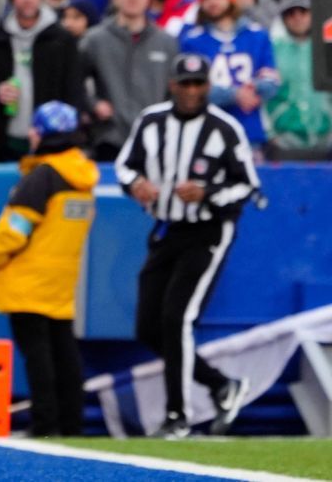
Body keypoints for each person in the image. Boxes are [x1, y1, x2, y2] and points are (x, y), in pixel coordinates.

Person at [115, 53, 258, 439]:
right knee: (149, 327)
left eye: (198, 84)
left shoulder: (225, 129)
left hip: (209, 231)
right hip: (166, 229)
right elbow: (125, 165)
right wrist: (136, 185)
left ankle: (177, 416)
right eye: (185, 83)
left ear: (208, 86)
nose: (192, 90)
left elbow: (248, 185)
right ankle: (220, 384)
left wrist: (208, 192)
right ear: (172, 84)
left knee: (176, 318)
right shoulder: (151, 121)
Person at [0, 101, 95, 437]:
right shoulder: (83, 177)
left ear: (44, 133)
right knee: (65, 354)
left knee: (39, 357)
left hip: (26, 281)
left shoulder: (43, 176)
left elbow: (14, 230)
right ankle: (72, 424)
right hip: (61, 280)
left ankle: (45, 424)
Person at [0, 0, 84, 162]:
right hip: (3, 141)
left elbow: (74, 88)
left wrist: (69, 133)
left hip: (50, 141)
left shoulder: (61, 39)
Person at [179, 0, 279, 153]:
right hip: (206, 133)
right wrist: (235, 94)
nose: (212, 2)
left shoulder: (257, 35)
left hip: (250, 132)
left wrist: (255, 88)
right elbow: (191, 91)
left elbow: (272, 81)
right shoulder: (192, 40)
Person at [80, 0, 178, 161]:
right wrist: (93, 104)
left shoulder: (166, 42)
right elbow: (73, 81)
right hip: (109, 138)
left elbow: (174, 89)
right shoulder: (95, 39)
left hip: (154, 139)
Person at [266, 0, 332, 160]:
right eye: (290, 13)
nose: (297, 17)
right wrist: (271, 134)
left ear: (312, 13)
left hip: (325, 139)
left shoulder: (326, 48)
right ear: (283, 17)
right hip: (285, 141)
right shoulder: (272, 49)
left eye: (303, 11)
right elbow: (265, 96)